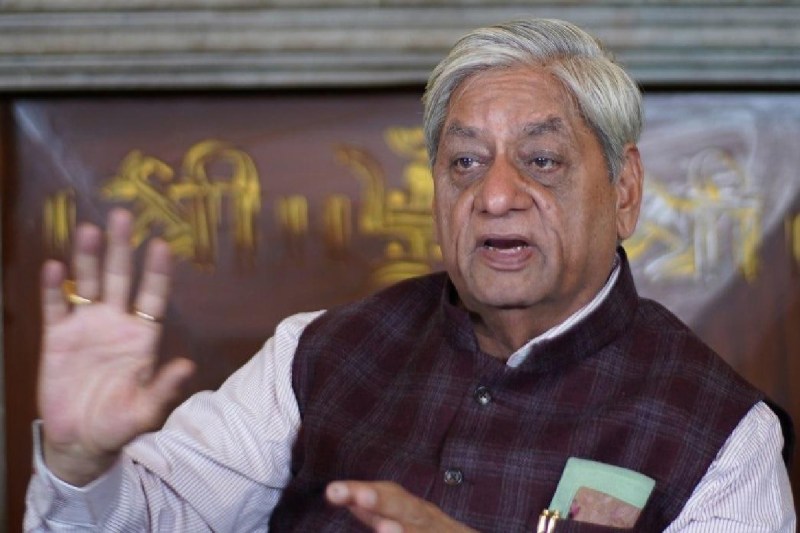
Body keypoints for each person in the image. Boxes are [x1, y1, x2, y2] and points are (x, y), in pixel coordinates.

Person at [25, 18, 795, 532]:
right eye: (464, 162)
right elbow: (153, 515)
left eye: (541, 159)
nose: (495, 194)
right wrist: (81, 464)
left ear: (624, 190)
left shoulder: (721, 433)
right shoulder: (316, 356)